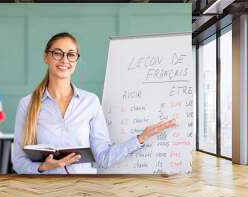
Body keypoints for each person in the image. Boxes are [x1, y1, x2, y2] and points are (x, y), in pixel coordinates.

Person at [13, 32, 176, 174]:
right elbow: (19, 162)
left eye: (71, 54)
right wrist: (43, 167)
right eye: (57, 53)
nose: (64, 60)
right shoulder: (27, 104)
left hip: (82, 192)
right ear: (46, 57)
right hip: (43, 194)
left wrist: (141, 138)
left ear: (76, 59)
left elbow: (103, 157)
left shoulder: (90, 102)